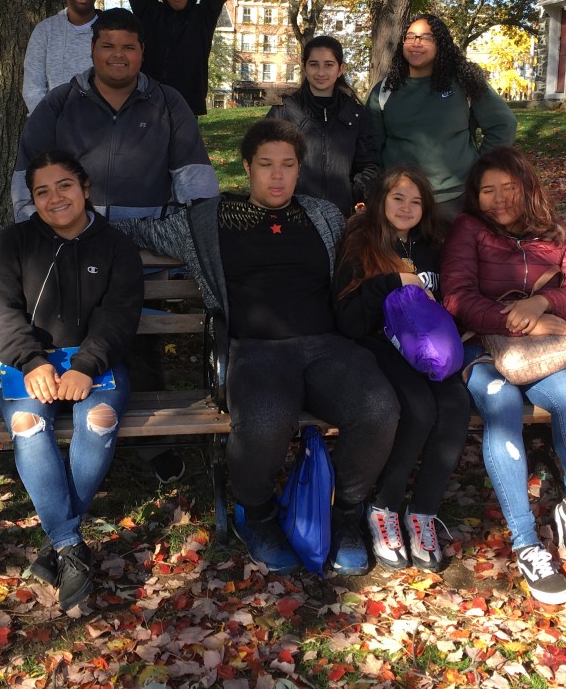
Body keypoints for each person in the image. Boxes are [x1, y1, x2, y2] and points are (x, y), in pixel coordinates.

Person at [113, 119, 400, 577]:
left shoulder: (321, 214)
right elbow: (141, 231)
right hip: (255, 348)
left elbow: (368, 242)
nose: (278, 175)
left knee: (378, 409)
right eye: (266, 165)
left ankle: (346, 513)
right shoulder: (209, 220)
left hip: (326, 345)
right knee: (265, 421)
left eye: (288, 165)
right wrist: (72, 216)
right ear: (247, 167)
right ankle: (258, 515)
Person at [0, 150, 144, 612]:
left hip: (93, 362)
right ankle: (69, 545)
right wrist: (32, 362)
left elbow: (120, 316)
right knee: (28, 427)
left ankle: (57, 543)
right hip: (28, 363)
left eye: (65, 186)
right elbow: (0, 312)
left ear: (86, 187)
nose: (55, 198)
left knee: (99, 418)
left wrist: (85, 366)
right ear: (32, 199)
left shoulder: (115, 246)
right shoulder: (13, 243)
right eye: (42, 191)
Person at [441, 146, 566, 605]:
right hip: (481, 347)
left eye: (507, 188)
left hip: (542, 353)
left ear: (526, 187)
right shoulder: (468, 229)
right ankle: (528, 544)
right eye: (487, 190)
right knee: (502, 406)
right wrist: (516, 318)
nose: (498, 198)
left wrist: (542, 304)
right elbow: (456, 296)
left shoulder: (555, 234)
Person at [333, 165, 470, 572]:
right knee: (419, 409)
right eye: (398, 198)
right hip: (379, 347)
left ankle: (423, 512)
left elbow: (451, 301)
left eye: (416, 200)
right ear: (380, 201)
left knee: (456, 405)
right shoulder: (361, 245)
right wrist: (392, 282)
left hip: (431, 351)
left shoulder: (434, 246)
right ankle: (385, 506)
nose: (407, 207)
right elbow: (348, 321)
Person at [11, 7, 219, 224]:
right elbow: (28, 181)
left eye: (129, 47)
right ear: (92, 48)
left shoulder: (169, 103)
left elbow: (196, 183)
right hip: (75, 240)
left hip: (151, 243)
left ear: (142, 50)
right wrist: (41, 237)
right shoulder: (59, 102)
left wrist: (186, 237)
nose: (118, 55)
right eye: (107, 46)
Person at [368, 13, 518, 223]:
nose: (416, 43)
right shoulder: (384, 90)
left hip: (455, 199)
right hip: (401, 201)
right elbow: (372, 145)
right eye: (410, 37)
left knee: (454, 256)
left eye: (426, 37)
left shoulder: (464, 83)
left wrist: (479, 166)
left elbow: (504, 124)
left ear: (441, 44)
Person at [266, 35, 379, 219]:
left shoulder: (355, 114)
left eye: (328, 65)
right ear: (304, 66)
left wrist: (353, 194)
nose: (321, 72)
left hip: (341, 215)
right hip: (291, 215)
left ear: (340, 69)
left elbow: (369, 165)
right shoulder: (284, 112)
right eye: (313, 64)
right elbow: (265, 161)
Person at [22, 0, 101, 113]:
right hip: (57, 127)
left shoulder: (111, 29)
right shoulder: (45, 31)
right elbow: (33, 87)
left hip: (104, 128)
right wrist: (50, 122)